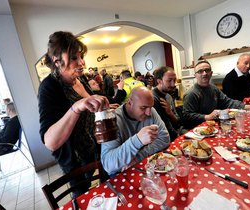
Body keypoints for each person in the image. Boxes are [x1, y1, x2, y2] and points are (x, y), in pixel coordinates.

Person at [38, 31, 110, 198]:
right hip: (77, 161)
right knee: (84, 198)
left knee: (105, 191)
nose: (81, 62)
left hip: (96, 149)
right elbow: (50, 142)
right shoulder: (49, 87)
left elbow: (90, 106)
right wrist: (76, 108)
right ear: (56, 61)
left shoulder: (81, 79)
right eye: (73, 58)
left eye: (80, 56)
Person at [101, 86, 170, 175]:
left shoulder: (150, 110)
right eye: (143, 108)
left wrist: (137, 157)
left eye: (150, 107)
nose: (148, 113)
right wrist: (137, 141)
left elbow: (164, 138)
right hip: (120, 172)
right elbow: (108, 165)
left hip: (144, 163)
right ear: (130, 102)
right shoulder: (113, 120)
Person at [183, 60, 250, 129]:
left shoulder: (213, 88)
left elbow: (227, 101)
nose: (204, 73)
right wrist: (208, 116)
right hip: (197, 129)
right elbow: (187, 116)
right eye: (200, 71)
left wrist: (248, 107)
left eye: (207, 70)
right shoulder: (191, 93)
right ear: (195, 75)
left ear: (211, 73)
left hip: (212, 125)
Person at [152, 66, 181, 141]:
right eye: (169, 80)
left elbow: (177, 121)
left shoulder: (168, 96)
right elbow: (162, 127)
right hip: (163, 139)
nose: (173, 84)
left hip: (174, 133)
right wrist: (178, 136)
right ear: (159, 81)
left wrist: (170, 113)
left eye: (174, 80)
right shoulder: (153, 98)